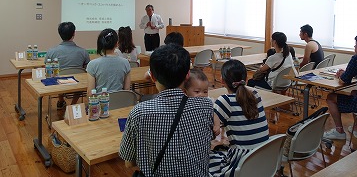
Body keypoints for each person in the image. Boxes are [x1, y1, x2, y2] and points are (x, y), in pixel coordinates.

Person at [119, 44, 215, 176]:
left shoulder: (139, 112)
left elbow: (129, 162)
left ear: (152, 76)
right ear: (187, 75)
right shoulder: (206, 105)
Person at [209, 59, 269, 176]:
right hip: (264, 156)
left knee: (205, 161)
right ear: (246, 80)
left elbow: (210, 130)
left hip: (243, 161)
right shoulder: (255, 94)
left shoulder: (225, 100)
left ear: (222, 80)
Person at [45, 22, 90, 110]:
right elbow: (87, 69)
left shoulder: (51, 51)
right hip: (78, 84)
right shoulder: (83, 51)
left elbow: (47, 69)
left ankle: (61, 100)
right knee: (80, 78)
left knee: (57, 75)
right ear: (74, 33)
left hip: (59, 82)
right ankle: (72, 105)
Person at [86, 28, 131, 95]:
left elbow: (90, 93)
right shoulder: (125, 63)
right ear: (117, 44)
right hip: (121, 103)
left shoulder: (92, 64)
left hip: (100, 103)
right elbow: (127, 90)